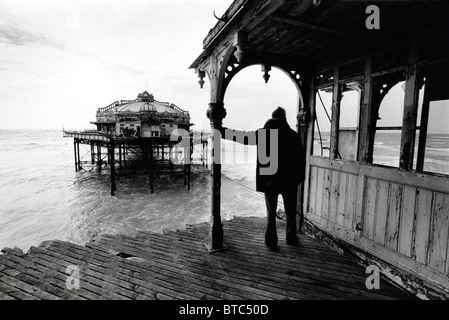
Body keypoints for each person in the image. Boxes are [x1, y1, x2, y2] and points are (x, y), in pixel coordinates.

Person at [219, 107, 304, 250]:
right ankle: (291, 238)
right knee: (290, 211)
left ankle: (271, 242)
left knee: (271, 214)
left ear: (272, 117)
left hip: (270, 180)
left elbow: (242, 137)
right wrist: (298, 179)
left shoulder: (263, 134)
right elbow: (300, 160)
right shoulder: (293, 135)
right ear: (284, 119)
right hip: (289, 180)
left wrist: (221, 131)